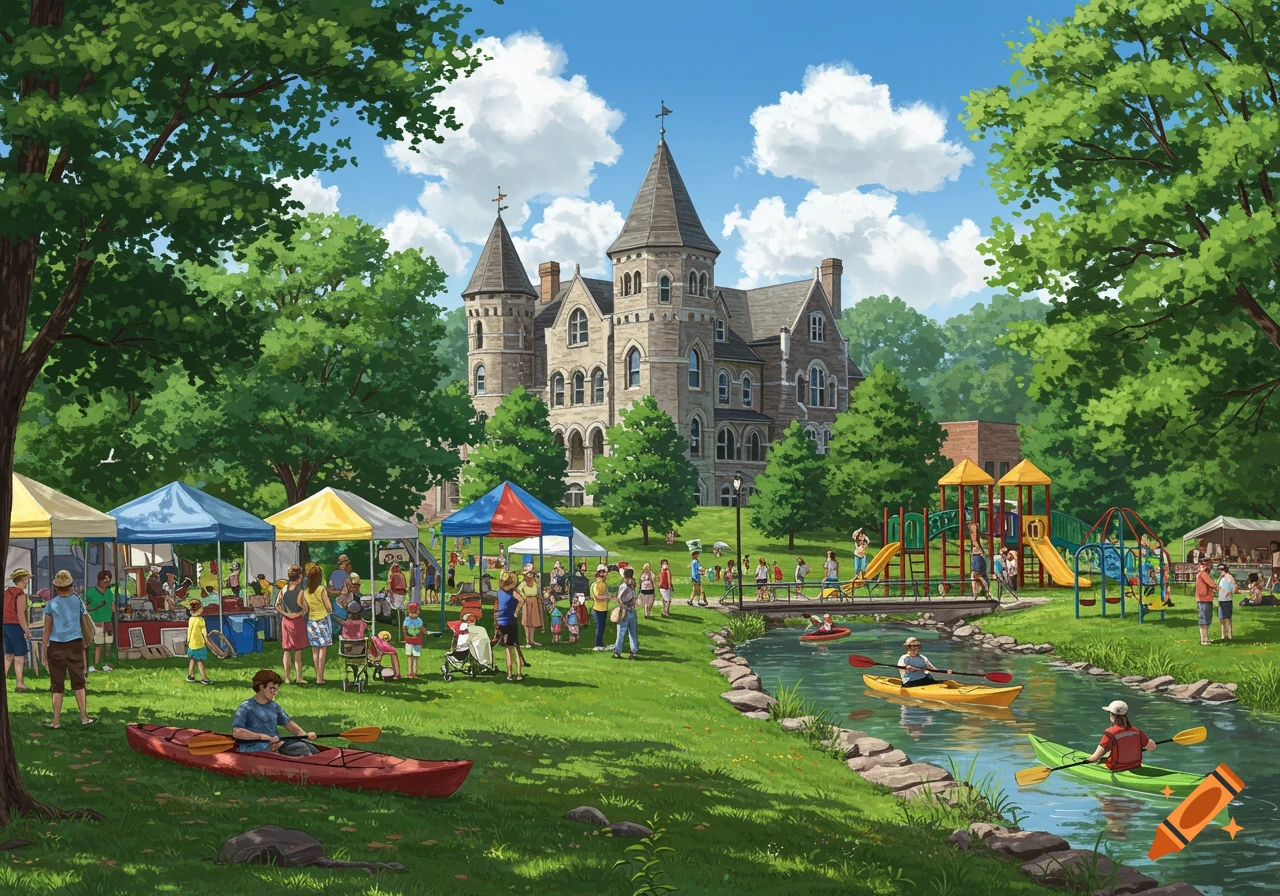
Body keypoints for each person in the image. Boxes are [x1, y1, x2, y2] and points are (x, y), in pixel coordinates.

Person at [41, 570, 95, 727]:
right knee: (79, 682)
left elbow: (47, 631)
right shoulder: (77, 601)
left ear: (56, 588)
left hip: (56, 646)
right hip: (75, 644)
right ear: (71, 585)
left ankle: (56, 721)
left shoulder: (51, 605)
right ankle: (84, 717)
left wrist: (44, 653)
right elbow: (84, 622)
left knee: (57, 685)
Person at [232, 669, 319, 756]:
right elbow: (237, 732)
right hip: (254, 748)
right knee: (301, 748)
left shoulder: (274, 707)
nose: (275, 693)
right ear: (261, 687)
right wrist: (262, 737)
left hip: (275, 745)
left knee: (309, 746)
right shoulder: (246, 707)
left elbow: (289, 724)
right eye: (272, 688)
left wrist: (305, 735)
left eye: (276, 689)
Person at [1084, 700, 1155, 772]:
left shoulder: (1109, 732)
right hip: (1135, 765)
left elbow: (1095, 757)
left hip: (1114, 767)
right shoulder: (1137, 731)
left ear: (1112, 715)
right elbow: (1152, 747)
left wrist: (1086, 761)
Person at [275, 565, 308, 685]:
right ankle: (298, 677)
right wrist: (297, 614)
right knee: (298, 650)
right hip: (297, 621)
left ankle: (287, 678)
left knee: (287, 650)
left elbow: (277, 605)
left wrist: (285, 614)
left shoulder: (283, 589)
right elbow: (305, 608)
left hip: (285, 620)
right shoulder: (301, 592)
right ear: (299, 577)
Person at [301, 565, 333, 684]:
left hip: (311, 620)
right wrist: (330, 611)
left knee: (315, 649)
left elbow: (305, 609)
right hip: (323, 620)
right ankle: (321, 677)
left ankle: (317, 675)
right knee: (323, 649)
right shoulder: (321, 589)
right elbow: (328, 606)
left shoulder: (305, 592)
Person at [3, 569, 33, 692]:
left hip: (5, 625)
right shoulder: (20, 594)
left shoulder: (7, 592)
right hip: (15, 626)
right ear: (23, 579)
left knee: (8, 655)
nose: (27, 581)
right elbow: (20, 615)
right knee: (19, 656)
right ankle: (19, 683)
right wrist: (27, 630)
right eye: (26, 578)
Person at [82, 571, 116, 673]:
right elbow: (85, 605)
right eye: (105, 579)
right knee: (95, 643)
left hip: (108, 621)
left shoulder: (110, 592)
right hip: (95, 621)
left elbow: (112, 606)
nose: (107, 581)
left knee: (107, 644)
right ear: (99, 580)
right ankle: (91, 665)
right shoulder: (90, 592)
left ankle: (105, 664)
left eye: (108, 579)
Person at [495, 571, 524, 681]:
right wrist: (516, 611)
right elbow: (522, 600)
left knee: (507, 648)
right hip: (510, 621)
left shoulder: (500, 592)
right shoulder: (513, 593)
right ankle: (519, 674)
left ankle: (509, 674)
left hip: (501, 621)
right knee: (516, 647)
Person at [612, 567, 640, 659]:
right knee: (633, 632)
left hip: (624, 611)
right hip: (632, 610)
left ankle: (617, 651)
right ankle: (634, 651)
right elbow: (635, 597)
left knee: (621, 632)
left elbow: (619, 598)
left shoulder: (623, 586)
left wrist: (620, 607)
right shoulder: (634, 584)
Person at [517, 568, 544, 648]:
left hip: (534, 600)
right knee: (527, 621)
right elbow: (518, 590)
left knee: (533, 621)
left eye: (532, 574)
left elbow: (538, 590)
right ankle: (527, 641)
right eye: (529, 574)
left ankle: (532, 640)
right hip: (527, 601)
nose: (531, 575)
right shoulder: (524, 583)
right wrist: (524, 596)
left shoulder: (535, 582)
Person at [186, 599, 211, 684]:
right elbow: (204, 633)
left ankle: (191, 676)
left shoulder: (191, 619)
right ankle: (204, 678)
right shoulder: (201, 620)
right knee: (200, 661)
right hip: (199, 644)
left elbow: (189, 630)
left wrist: (188, 640)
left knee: (192, 659)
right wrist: (208, 641)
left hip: (191, 643)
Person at [1194, 558, 1215, 646]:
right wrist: (1219, 588)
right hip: (1204, 599)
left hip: (1202, 598)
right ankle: (1204, 639)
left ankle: (1205, 638)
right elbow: (1211, 584)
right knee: (1204, 619)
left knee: (1204, 619)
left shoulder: (1200, 574)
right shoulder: (1203, 574)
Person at [591, 565, 612, 650]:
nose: (605, 574)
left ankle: (600, 644)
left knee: (602, 627)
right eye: (603, 572)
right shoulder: (598, 584)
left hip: (603, 608)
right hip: (598, 609)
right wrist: (607, 597)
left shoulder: (603, 584)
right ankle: (598, 644)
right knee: (600, 627)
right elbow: (597, 597)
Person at [402, 602, 424, 678]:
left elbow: (422, 628)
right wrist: (405, 634)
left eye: (415, 613)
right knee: (409, 656)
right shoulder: (407, 619)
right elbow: (404, 628)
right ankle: (409, 673)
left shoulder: (419, 620)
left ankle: (414, 673)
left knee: (415, 656)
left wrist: (424, 631)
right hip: (409, 641)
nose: (413, 615)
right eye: (411, 613)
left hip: (417, 641)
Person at [1217, 563, 1236, 641]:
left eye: (1222, 569)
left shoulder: (1229, 576)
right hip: (1221, 600)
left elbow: (1234, 587)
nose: (1220, 571)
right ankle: (1223, 635)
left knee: (1227, 618)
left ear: (1225, 569)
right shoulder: (1222, 577)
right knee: (1221, 618)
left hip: (1227, 600)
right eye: (1219, 569)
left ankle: (1229, 635)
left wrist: (1231, 592)